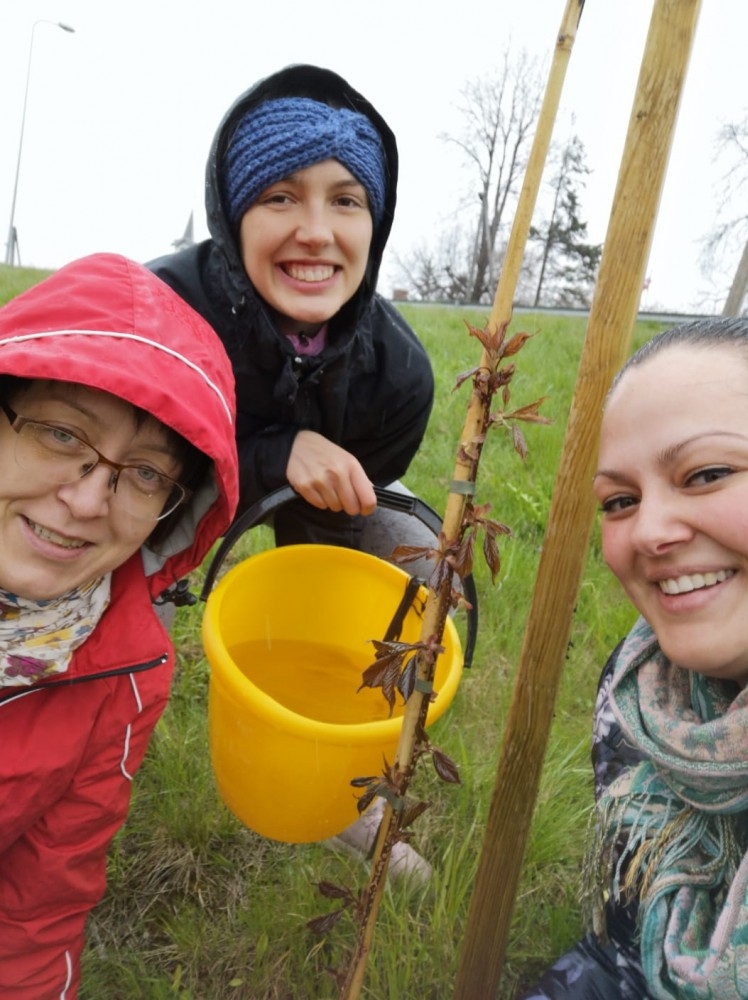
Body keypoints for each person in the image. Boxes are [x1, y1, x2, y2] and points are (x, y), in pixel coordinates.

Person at [149, 64, 436, 882]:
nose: (316, 231)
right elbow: (122, 467)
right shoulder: (166, 309)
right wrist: (274, 452)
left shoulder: (399, 376)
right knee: (113, 558)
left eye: (345, 201)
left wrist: (303, 490)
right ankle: (92, 749)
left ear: (373, 224)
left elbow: (354, 508)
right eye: (280, 197)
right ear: (233, 212)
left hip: (308, 498)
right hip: (163, 482)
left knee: (410, 553)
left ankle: (340, 786)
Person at [0, 253, 239, 999]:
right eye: (64, 435)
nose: (87, 501)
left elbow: (37, 913)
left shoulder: (127, 673)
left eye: (143, 474)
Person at [521, 317, 748, 1000]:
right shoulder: (646, 693)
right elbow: (621, 953)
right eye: (620, 500)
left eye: (707, 473)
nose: (648, 531)